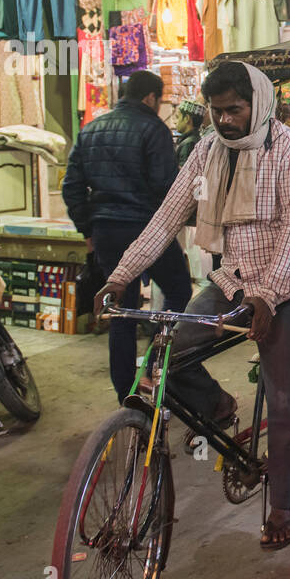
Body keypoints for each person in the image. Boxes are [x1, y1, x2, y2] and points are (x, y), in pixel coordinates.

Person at [94, 61, 290, 551]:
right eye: (216, 111)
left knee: (283, 402)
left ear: (257, 103)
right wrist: (120, 276)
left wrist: (270, 294)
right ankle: (217, 405)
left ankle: (283, 504)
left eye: (234, 110)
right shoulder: (209, 149)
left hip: (287, 285)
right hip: (231, 281)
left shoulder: (289, 146)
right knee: (164, 355)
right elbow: (166, 217)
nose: (225, 120)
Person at [63, 71, 193, 403]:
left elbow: (72, 186)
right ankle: (152, 366)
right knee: (178, 292)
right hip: (147, 231)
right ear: (151, 97)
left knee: (121, 311)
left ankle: (127, 395)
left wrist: (87, 228)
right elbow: (166, 187)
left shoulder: (90, 129)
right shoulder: (154, 130)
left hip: (107, 230)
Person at [174, 100, 206, 167]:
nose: (175, 122)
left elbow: (182, 172)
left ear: (186, 118)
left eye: (177, 117)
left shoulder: (188, 144)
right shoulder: (196, 139)